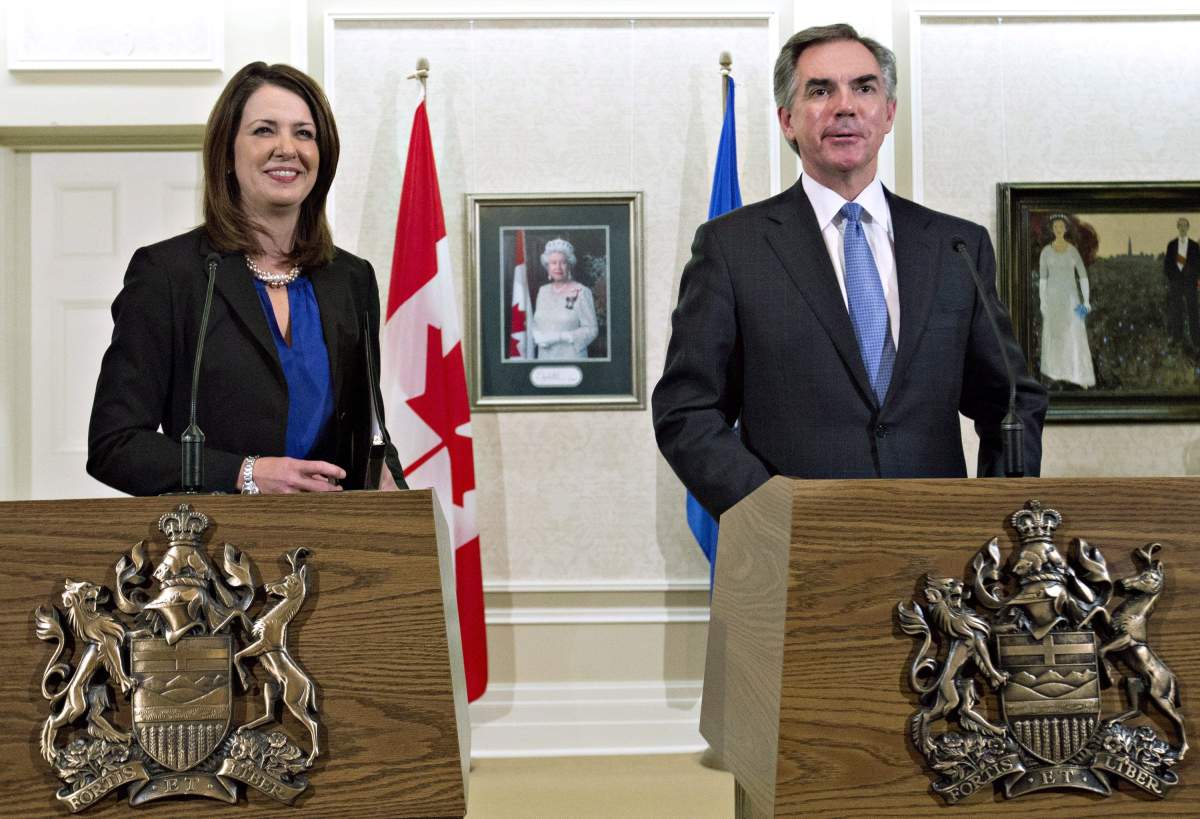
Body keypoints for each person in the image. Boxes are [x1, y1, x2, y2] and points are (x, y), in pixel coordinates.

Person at [652, 24, 1047, 520]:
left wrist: (993, 516)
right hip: (797, 551)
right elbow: (685, 410)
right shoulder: (732, 248)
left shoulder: (957, 247)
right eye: (820, 90)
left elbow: (1010, 398)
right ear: (787, 120)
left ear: (888, 113)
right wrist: (772, 510)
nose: (845, 105)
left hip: (940, 557)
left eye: (864, 87)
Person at [88, 62, 405, 496]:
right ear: (227, 154)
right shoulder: (169, 274)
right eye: (264, 130)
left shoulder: (350, 279)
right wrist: (247, 473)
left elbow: (368, 431)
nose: (287, 148)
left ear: (322, 155)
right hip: (216, 552)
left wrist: (394, 496)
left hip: (335, 544)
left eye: (304, 133)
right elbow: (115, 445)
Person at [1037, 215, 1095, 388]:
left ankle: (1076, 374)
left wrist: (1086, 300)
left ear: (1066, 229)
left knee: (1074, 333)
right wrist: (1043, 301)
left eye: (1061, 226)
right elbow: (1043, 279)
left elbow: (1082, 275)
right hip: (1053, 299)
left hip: (1071, 299)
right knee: (1055, 333)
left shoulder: (1072, 251)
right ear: (1052, 229)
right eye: (1056, 226)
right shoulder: (1046, 252)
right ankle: (1055, 373)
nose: (1059, 229)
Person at [531, 238, 598, 360]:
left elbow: (591, 330)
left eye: (563, 262)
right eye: (553, 263)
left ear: (569, 265)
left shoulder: (581, 291)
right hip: (544, 357)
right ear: (547, 267)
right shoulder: (543, 291)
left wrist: (560, 337)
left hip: (571, 358)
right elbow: (536, 322)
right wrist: (536, 334)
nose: (558, 267)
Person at [1164, 217, 1200, 351]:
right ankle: (1177, 340)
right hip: (1176, 284)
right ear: (1178, 227)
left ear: (1188, 228)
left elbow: (1198, 265)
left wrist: (1193, 278)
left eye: (1185, 226)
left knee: (1193, 312)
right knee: (1176, 312)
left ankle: (1196, 340)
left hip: (1190, 284)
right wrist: (1173, 279)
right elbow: (1167, 265)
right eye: (1181, 225)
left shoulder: (1195, 246)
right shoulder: (1171, 245)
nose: (1183, 228)